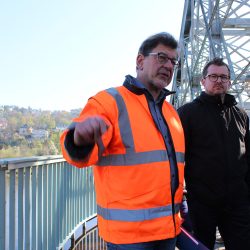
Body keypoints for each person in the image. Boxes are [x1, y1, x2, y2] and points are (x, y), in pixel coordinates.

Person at [60, 32, 185, 250]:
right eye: (162, 57)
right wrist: (79, 138)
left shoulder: (171, 113)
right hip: (129, 238)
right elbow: (76, 153)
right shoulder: (109, 101)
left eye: (173, 61)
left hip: (167, 230)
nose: (169, 66)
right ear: (140, 61)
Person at [178, 57, 250, 250]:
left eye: (224, 77)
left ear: (229, 81)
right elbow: (174, 158)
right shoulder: (186, 113)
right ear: (203, 81)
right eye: (213, 76)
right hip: (202, 204)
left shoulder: (241, 115)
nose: (219, 80)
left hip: (237, 203)